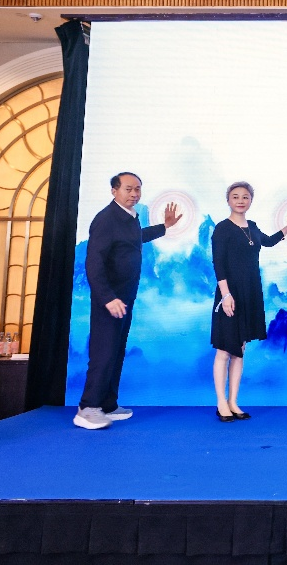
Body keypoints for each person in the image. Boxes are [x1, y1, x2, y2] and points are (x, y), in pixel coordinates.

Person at [75, 172, 181, 430]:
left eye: (138, 189)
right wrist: (107, 298)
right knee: (103, 353)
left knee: (116, 351)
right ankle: (87, 408)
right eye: (128, 189)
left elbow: (135, 238)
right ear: (114, 191)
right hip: (110, 300)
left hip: (125, 297)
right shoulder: (106, 219)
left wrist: (164, 227)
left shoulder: (129, 217)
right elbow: (94, 263)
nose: (134, 194)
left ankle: (107, 404)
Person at [211, 182, 287, 422]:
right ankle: (221, 402)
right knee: (225, 349)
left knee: (240, 349)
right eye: (235, 196)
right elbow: (218, 263)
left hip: (250, 293)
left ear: (251, 200)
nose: (240, 200)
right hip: (230, 294)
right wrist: (226, 295)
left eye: (245, 197)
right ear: (228, 200)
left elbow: (270, 241)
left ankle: (233, 401)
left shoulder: (252, 227)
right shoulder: (222, 228)